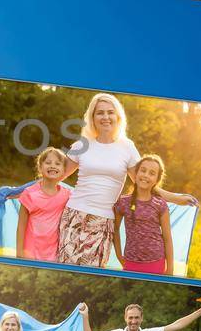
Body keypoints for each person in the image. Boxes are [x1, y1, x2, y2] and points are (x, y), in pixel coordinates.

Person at [58, 93, 193, 269]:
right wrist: (21, 190)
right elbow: (54, 177)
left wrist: (176, 198)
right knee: (65, 269)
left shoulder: (126, 147)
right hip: (74, 215)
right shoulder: (82, 144)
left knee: (92, 272)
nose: (105, 117)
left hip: (103, 220)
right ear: (92, 117)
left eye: (110, 112)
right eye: (100, 113)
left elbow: (143, 182)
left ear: (118, 117)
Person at [111, 154, 174, 275]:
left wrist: (170, 269)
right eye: (143, 170)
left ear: (157, 179)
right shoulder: (123, 202)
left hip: (156, 262)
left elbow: (167, 239)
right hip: (130, 262)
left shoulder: (160, 204)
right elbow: (115, 229)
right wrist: (119, 256)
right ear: (136, 173)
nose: (146, 175)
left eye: (151, 173)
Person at [14, 146, 70, 262]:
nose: (52, 166)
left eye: (58, 163)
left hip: (54, 254)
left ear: (64, 170)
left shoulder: (67, 195)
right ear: (40, 167)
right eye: (48, 163)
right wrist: (19, 252)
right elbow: (21, 226)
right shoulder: (29, 194)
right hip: (30, 252)